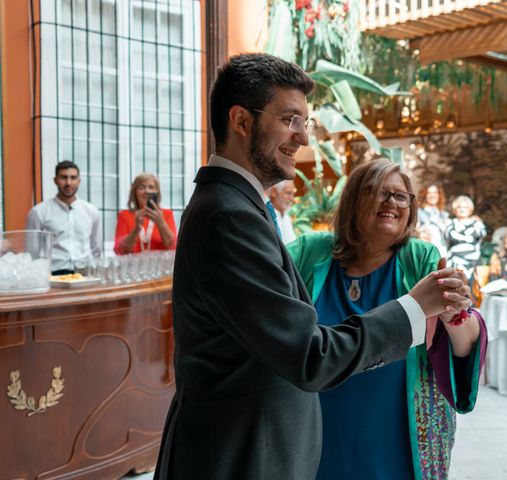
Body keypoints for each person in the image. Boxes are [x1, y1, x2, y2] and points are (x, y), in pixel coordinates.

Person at [153, 53, 472, 480]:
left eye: (306, 123)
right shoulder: (230, 216)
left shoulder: (241, 207)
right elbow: (310, 355)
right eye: (290, 120)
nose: (302, 138)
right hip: (239, 455)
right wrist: (413, 309)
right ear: (241, 121)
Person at [288, 159, 487, 480]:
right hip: (316, 432)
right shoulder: (310, 252)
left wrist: (456, 318)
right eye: (378, 192)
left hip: (399, 436)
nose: (391, 202)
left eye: (400, 196)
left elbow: (464, 345)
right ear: (353, 199)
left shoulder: (421, 258)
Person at [26, 160, 102, 274]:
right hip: (53, 274)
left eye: (73, 178)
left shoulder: (92, 212)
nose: (68, 183)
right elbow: (31, 253)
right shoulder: (38, 212)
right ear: (55, 180)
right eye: (63, 177)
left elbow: (96, 249)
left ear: (79, 181)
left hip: (85, 273)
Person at [114, 173, 177, 254]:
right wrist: (136, 229)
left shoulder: (166, 214)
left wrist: (161, 223)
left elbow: (173, 246)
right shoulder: (124, 215)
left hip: (161, 265)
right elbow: (120, 250)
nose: (146, 191)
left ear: (157, 192)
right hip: (133, 266)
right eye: (141, 187)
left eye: (151, 187)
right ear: (135, 192)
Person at [445, 195, 487, 277]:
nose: (462, 209)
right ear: (455, 210)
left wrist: (461, 236)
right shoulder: (450, 223)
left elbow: (482, 234)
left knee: (473, 288)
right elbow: (448, 237)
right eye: (459, 207)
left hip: (474, 262)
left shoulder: (477, 223)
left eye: (465, 207)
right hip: (454, 262)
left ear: (470, 209)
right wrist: (468, 237)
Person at [417, 183, 450, 258]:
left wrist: (472, 218)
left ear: (439, 195)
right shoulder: (419, 212)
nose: (432, 195)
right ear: (425, 195)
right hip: (426, 252)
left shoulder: (444, 214)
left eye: (435, 192)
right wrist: (420, 234)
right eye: (429, 193)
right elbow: (412, 231)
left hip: (443, 253)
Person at [266, 179, 297, 244]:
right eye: (288, 193)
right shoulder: (267, 217)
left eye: (293, 194)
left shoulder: (286, 217)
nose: (292, 199)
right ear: (274, 192)